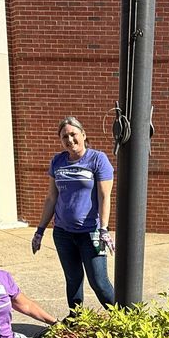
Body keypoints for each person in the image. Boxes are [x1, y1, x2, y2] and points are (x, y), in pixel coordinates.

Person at [31, 116, 116, 311]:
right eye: (64, 136)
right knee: (73, 279)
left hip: (91, 233)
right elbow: (51, 198)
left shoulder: (97, 159)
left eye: (73, 134)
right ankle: (76, 319)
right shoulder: (58, 161)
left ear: (83, 135)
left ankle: (125, 321)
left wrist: (104, 229)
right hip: (62, 233)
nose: (69, 140)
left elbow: (105, 196)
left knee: (99, 282)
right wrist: (40, 230)